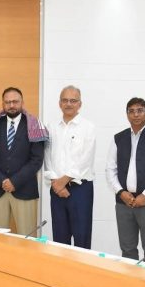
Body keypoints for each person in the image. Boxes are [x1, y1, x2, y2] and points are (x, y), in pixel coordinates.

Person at [105, 98, 145, 263]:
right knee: (127, 249)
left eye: (140, 110)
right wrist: (120, 192)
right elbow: (110, 169)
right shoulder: (118, 138)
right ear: (127, 114)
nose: (136, 115)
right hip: (124, 202)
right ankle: (130, 279)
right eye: (131, 111)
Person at [0, 87, 47, 234]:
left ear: (22, 102)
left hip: (25, 189)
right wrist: (2, 181)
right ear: (3, 104)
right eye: (7, 102)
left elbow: (36, 159)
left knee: (27, 237)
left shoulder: (34, 125)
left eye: (15, 101)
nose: (11, 105)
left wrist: (14, 182)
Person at [43, 85, 97, 248]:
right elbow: (46, 155)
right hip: (56, 190)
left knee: (82, 239)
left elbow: (86, 158)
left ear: (80, 104)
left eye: (73, 101)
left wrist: (64, 180)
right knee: (60, 240)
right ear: (59, 103)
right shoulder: (51, 127)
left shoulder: (88, 127)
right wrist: (56, 182)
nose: (68, 104)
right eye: (65, 100)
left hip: (80, 189)